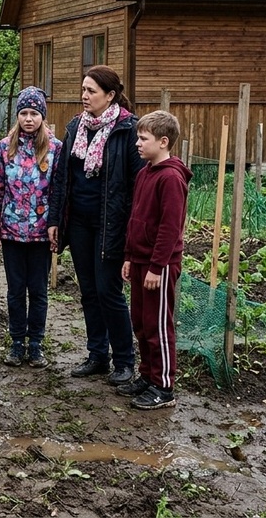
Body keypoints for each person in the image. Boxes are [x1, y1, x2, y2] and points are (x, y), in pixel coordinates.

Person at [48, 65, 145, 385]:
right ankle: (97, 355)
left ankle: (125, 361)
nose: (84, 95)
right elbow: (62, 177)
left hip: (111, 224)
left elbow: (136, 186)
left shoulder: (127, 130)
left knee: (108, 291)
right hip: (78, 222)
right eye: (83, 89)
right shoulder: (76, 127)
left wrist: (131, 231)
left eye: (91, 91)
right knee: (88, 291)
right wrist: (55, 219)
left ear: (110, 95)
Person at [0, 86, 61, 368]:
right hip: (12, 231)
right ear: (17, 116)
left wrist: (57, 227)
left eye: (34, 113)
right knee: (16, 290)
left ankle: (36, 344)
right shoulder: (5, 148)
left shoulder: (55, 149)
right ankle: (17, 342)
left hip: (41, 233)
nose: (29, 119)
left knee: (38, 290)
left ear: (42, 116)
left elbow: (59, 192)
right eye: (24, 113)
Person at [119, 110, 191, 409]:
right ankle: (147, 376)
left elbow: (170, 228)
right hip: (139, 261)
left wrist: (157, 267)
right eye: (138, 136)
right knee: (141, 321)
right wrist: (128, 256)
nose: (137, 143)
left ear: (163, 142)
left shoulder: (171, 178)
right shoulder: (145, 173)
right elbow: (135, 219)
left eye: (143, 138)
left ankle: (163, 386)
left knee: (158, 325)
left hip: (159, 266)